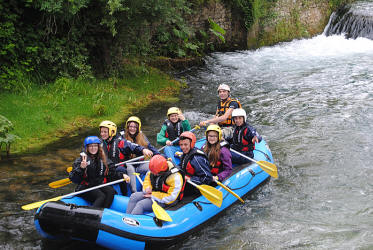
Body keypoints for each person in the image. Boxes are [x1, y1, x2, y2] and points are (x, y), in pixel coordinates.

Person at [99, 120, 153, 195]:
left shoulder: (120, 141)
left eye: (105, 132)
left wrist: (143, 149)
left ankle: (125, 193)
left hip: (117, 169)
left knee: (121, 170)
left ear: (112, 131)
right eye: (101, 132)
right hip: (106, 170)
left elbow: (132, 146)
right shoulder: (99, 143)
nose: (102, 134)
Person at [69, 136, 118, 208]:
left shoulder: (101, 158)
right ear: (87, 148)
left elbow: (111, 170)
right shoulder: (81, 160)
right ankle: (94, 214)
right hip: (84, 187)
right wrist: (81, 168)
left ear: (98, 147)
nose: (93, 148)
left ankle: (104, 211)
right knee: (101, 196)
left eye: (95, 146)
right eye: (91, 146)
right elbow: (73, 178)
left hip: (96, 184)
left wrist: (122, 175)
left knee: (111, 191)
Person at [123, 116, 160, 193]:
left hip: (140, 164)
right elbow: (129, 146)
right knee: (130, 168)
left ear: (138, 128)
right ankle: (134, 192)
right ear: (127, 127)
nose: (132, 128)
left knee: (153, 166)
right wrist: (143, 150)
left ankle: (154, 187)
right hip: (129, 164)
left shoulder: (141, 136)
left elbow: (150, 147)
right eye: (130, 126)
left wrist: (159, 156)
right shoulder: (123, 137)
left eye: (134, 127)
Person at [178, 131, 213, 196]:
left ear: (191, 144)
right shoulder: (185, 154)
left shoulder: (197, 159)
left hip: (195, 186)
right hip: (188, 180)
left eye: (185, 144)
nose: (183, 147)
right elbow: (182, 166)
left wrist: (191, 179)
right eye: (181, 145)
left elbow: (208, 178)